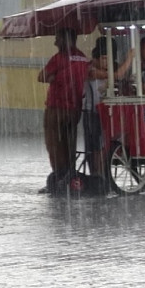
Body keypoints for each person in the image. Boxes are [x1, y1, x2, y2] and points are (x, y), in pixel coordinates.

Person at [36, 28, 90, 192]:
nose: (55, 42)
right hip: (75, 109)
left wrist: (55, 78)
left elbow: (41, 76)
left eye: (57, 39)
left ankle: (59, 178)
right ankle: (69, 178)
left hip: (56, 108)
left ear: (66, 40)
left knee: (54, 145)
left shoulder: (59, 58)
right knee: (69, 144)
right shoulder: (82, 57)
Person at [81, 38, 110, 177]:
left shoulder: (106, 71)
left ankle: (101, 174)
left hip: (103, 112)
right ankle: (97, 174)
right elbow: (115, 75)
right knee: (95, 146)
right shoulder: (91, 70)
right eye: (104, 59)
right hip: (91, 112)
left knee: (101, 145)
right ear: (96, 59)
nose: (106, 62)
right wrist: (130, 58)